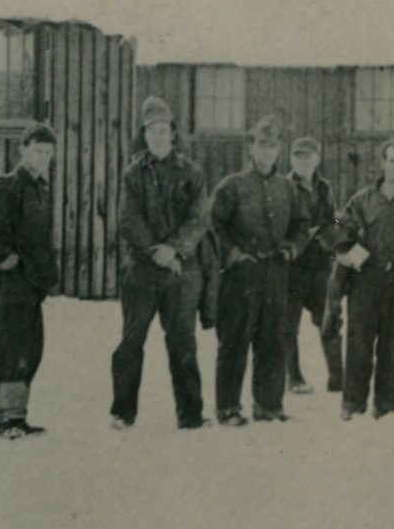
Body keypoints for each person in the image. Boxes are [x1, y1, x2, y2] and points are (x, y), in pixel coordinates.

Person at [109, 97, 210, 430]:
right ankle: (123, 412)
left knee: (183, 343)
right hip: (142, 270)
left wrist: (174, 249)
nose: (158, 136)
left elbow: (198, 220)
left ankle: (191, 414)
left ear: (173, 133)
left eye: (164, 130)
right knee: (131, 341)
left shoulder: (191, 173)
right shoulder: (132, 174)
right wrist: (155, 250)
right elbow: (128, 218)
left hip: (182, 271)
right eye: (152, 131)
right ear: (144, 134)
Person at [210, 114, 311, 425]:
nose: (267, 152)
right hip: (242, 275)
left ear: (279, 149)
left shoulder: (287, 188)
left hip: (275, 273)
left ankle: (269, 406)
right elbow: (213, 226)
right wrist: (232, 253)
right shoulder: (232, 186)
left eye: (273, 145)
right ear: (250, 147)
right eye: (261, 145)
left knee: (273, 339)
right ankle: (228, 408)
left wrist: (292, 247)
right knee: (235, 341)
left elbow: (302, 224)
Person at [334, 137, 394, 420]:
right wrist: (345, 252)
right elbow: (336, 229)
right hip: (364, 281)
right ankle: (352, 403)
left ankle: (386, 403)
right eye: (392, 161)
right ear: (383, 163)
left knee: (392, 344)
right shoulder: (361, 199)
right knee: (359, 342)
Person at [0, 123, 58, 438]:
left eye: (48, 152)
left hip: (30, 285)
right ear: (22, 149)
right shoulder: (8, 186)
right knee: (11, 349)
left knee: (30, 349)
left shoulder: (40, 188)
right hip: (9, 284)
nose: (42, 156)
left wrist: (44, 277)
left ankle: (16, 415)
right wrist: (4, 259)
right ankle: (5, 419)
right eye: (37, 150)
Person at [284, 136, 343, 395]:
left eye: (308, 156)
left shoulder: (324, 188)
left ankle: (337, 378)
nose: (303, 161)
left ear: (318, 159)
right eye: (298, 156)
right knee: (288, 325)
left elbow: (333, 220)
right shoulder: (284, 187)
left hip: (320, 266)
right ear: (291, 159)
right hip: (292, 268)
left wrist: (338, 228)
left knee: (329, 319)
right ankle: (294, 378)